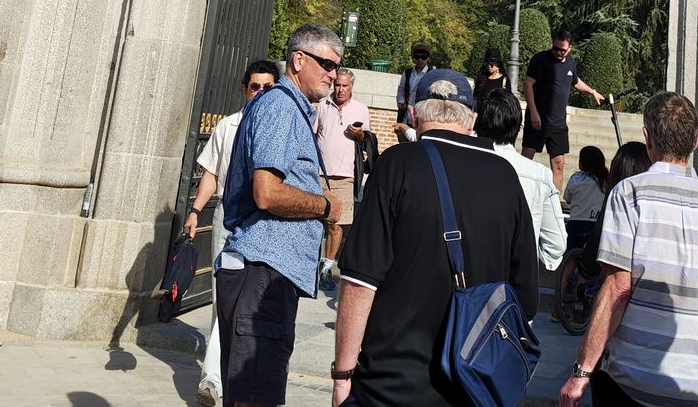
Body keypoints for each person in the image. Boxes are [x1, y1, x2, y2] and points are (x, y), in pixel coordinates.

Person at [332, 69, 540, 407]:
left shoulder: (395, 164)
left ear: (414, 116)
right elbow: (526, 296)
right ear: (472, 121)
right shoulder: (505, 176)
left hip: (391, 381)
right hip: (472, 385)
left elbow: (360, 281)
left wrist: (342, 374)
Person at [557, 95, 698, 407]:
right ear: (697, 140)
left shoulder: (629, 193)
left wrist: (581, 373)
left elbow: (618, 288)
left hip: (633, 382)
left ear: (647, 138)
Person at [219, 23, 344, 407]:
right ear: (298, 60)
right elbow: (267, 193)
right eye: (327, 63)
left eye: (337, 66)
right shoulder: (280, 106)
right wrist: (324, 206)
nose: (333, 74)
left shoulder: (290, 108)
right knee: (254, 397)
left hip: (269, 272)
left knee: (254, 393)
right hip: (263, 270)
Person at [184, 59, 279, 407]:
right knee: (222, 296)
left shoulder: (278, 128)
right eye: (255, 87)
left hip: (263, 221)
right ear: (244, 89)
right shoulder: (228, 126)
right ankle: (213, 378)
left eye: (268, 87)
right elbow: (211, 174)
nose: (261, 93)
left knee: (248, 303)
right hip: (229, 216)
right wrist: (195, 211)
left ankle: (230, 375)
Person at [555, 142, 651, 334]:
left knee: (576, 268)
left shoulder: (589, 185)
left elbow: (568, 197)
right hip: (648, 310)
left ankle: (565, 309)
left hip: (578, 224)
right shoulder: (604, 181)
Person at [476, 86, 566, 277]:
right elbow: (556, 245)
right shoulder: (539, 175)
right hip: (515, 279)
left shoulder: (458, 163)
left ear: (477, 121)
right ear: (518, 126)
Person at [524, 33, 610, 186]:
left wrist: (593, 92)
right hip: (538, 120)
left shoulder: (570, 62)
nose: (558, 52)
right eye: (555, 48)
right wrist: (534, 112)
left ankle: (555, 197)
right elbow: (527, 84)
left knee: (558, 165)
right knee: (526, 160)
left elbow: (575, 81)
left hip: (558, 124)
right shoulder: (540, 59)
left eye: (562, 50)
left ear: (570, 48)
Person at [313, 66, 370, 283]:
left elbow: (368, 144)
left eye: (345, 85)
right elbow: (312, 137)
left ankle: (327, 268)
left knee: (336, 226)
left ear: (351, 86)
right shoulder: (322, 106)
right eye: (337, 85)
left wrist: (360, 134)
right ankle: (311, 266)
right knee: (313, 223)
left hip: (346, 177)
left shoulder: (361, 109)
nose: (340, 89)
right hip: (320, 175)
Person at [562, 144, 609, 247]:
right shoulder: (606, 181)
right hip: (597, 224)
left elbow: (567, 198)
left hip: (575, 223)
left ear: (581, 162)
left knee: (571, 253)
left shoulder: (575, 178)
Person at [396, 43, 435, 141]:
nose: (420, 60)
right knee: (403, 143)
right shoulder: (407, 72)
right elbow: (401, 89)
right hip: (405, 115)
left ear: (428, 58)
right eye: (417, 57)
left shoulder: (432, 74)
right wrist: (401, 102)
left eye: (423, 57)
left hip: (421, 116)